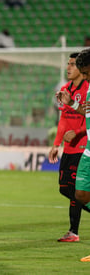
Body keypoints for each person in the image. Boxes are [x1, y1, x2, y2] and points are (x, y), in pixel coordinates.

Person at [49, 52, 89, 242]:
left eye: (72, 64)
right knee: (66, 189)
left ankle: (73, 231)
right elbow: (65, 119)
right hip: (70, 148)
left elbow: (86, 117)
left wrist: (79, 133)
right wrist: (56, 144)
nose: (69, 68)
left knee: (76, 190)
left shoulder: (87, 87)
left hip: (83, 146)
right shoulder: (66, 89)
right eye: (69, 64)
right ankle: (73, 231)